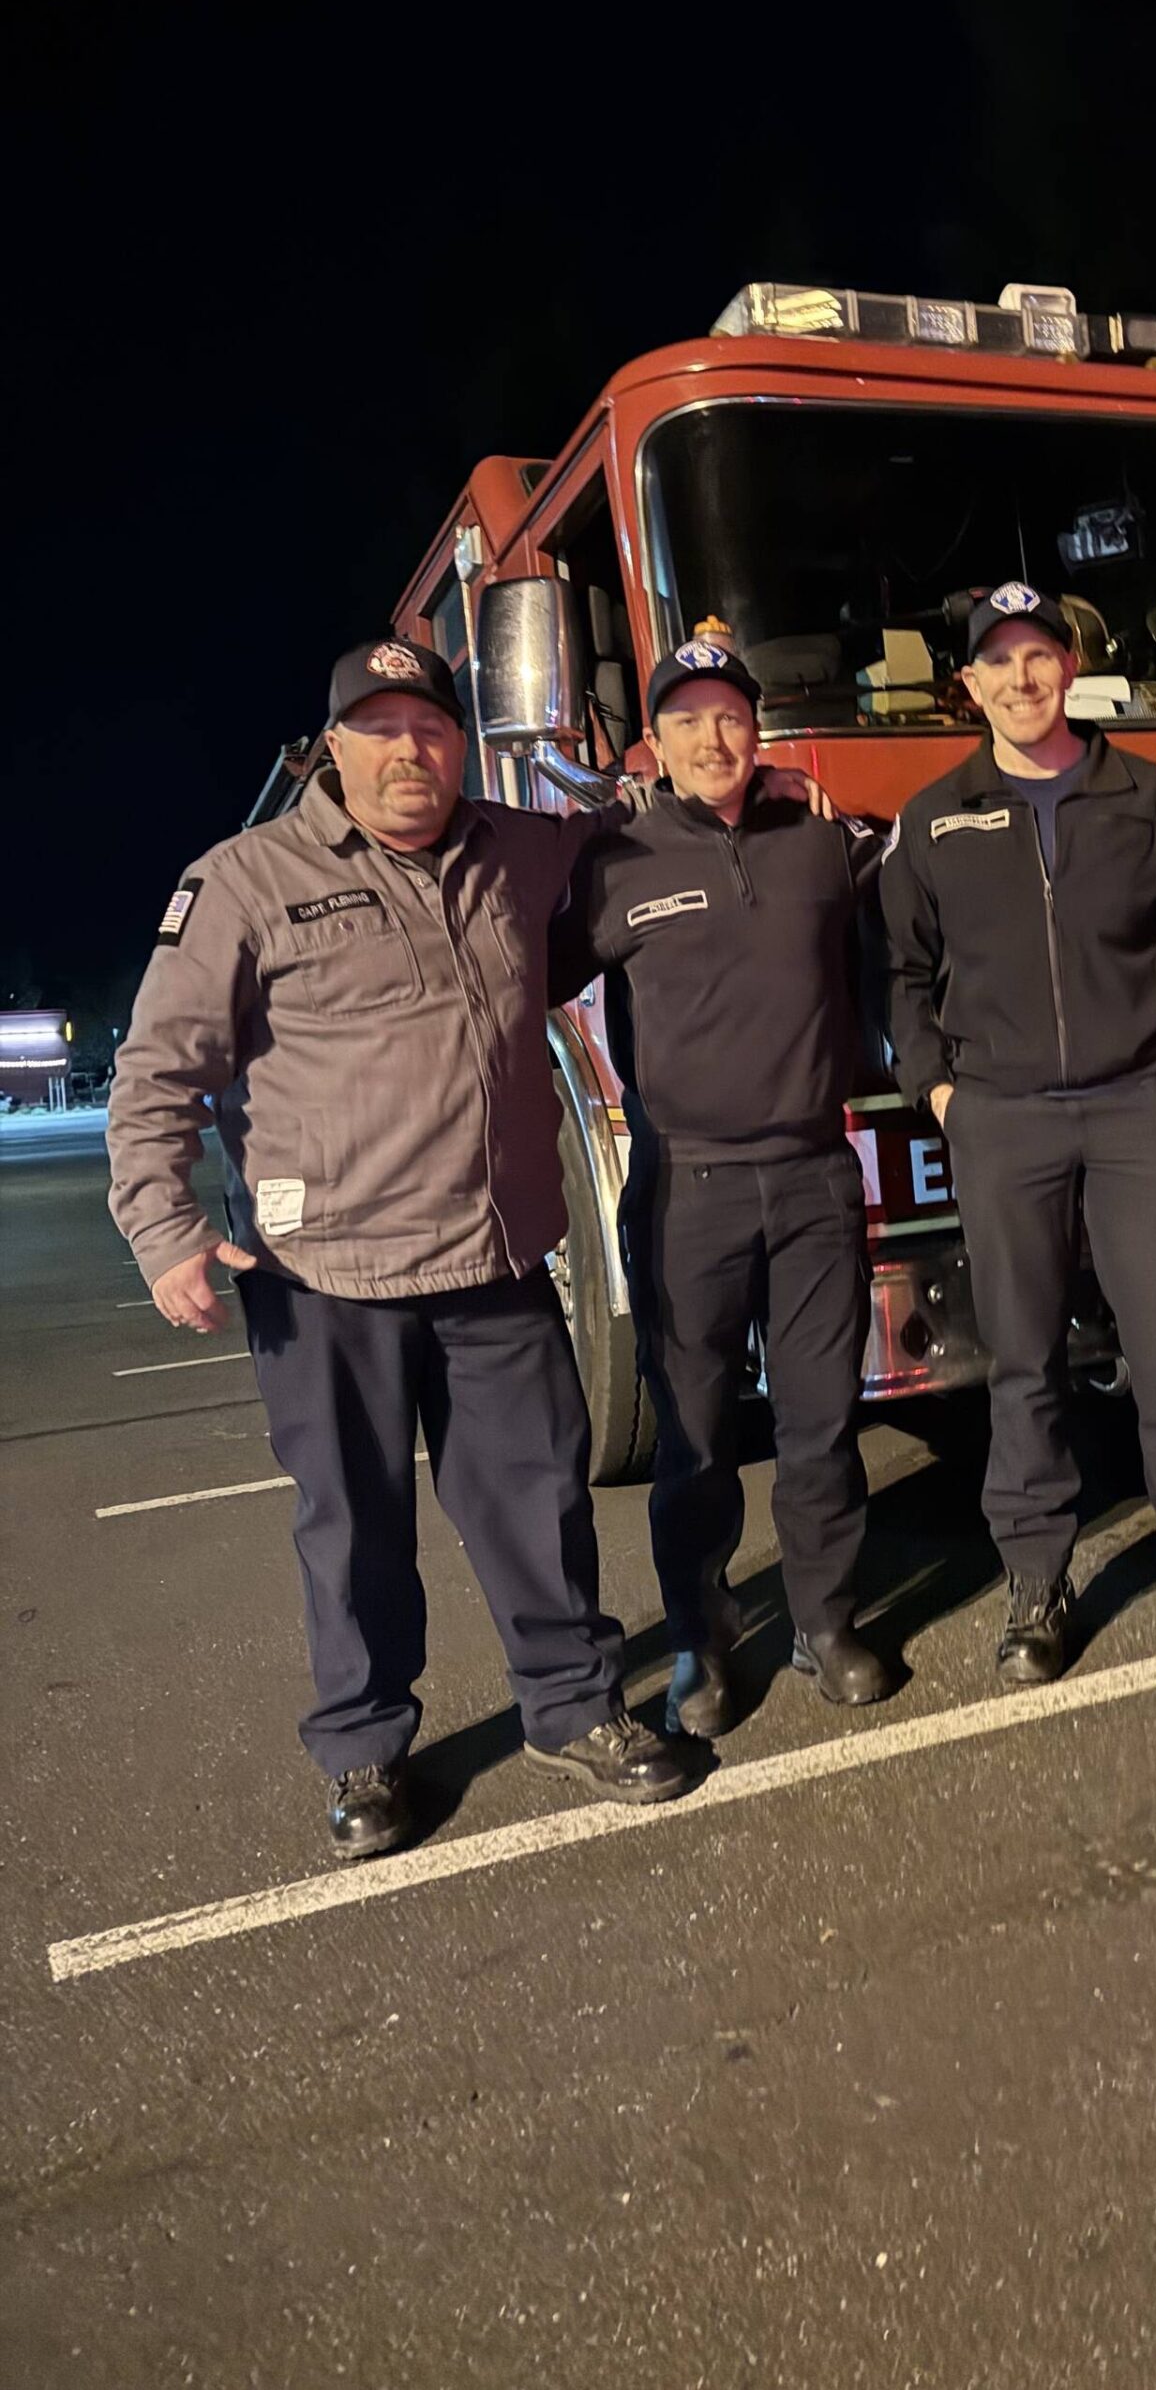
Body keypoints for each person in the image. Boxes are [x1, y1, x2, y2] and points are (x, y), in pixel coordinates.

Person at [106, 638, 705, 1861]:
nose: (409, 753)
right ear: (335, 747)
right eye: (378, 731)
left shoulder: (513, 848)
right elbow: (155, 1067)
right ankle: (367, 1752)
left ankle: (575, 1707)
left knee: (542, 1505)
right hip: (326, 1282)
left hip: (492, 1266)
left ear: (455, 741)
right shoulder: (244, 880)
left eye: (428, 728)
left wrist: (696, 792)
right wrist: (164, 1229)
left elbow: (623, 847)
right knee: (353, 1525)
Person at [882, 582, 1156, 1692]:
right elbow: (900, 978)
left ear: (1069, 668)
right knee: (1021, 1364)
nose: (1020, 679)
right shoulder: (932, 820)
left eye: (1038, 657)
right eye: (996, 663)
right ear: (965, 685)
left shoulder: (1151, 799)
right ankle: (1037, 1581)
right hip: (1000, 1120)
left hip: (1137, 1114)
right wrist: (940, 1094)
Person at [549, 638, 894, 1740]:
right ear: (654, 742)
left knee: (821, 1418)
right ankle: (703, 1640)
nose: (713, 737)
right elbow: (521, 982)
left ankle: (825, 1621)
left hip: (812, 1178)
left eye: (730, 716)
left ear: (758, 729)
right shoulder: (617, 864)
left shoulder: (824, 845)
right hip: (684, 1187)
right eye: (687, 719)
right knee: (695, 1435)